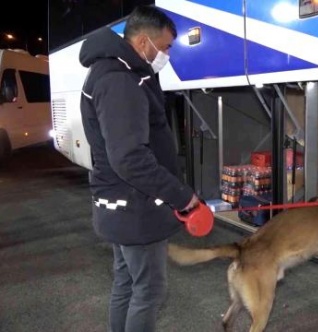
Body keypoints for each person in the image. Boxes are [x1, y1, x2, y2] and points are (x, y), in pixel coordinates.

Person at [78, 5, 199, 332]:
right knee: (148, 290)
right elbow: (129, 158)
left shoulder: (115, 73)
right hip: (135, 209)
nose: (167, 54)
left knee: (127, 282)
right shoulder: (120, 81)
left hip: (121, 206)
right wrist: (181, 195)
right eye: (166, 47)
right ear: (145, 43)